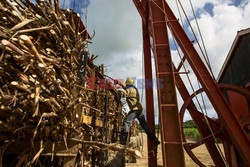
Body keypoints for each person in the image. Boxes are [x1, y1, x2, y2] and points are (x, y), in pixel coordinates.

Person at [114, 78, 160, 147]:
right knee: (145, 125)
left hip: (135, 110)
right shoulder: (134, 88)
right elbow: (125, 87)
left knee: (127, 122)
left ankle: (123, 140)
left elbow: (122, 93)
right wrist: (119, 83)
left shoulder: (129, 90)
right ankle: (154, 140)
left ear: (128, 85)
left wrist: (114, 87)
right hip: (140, 109)